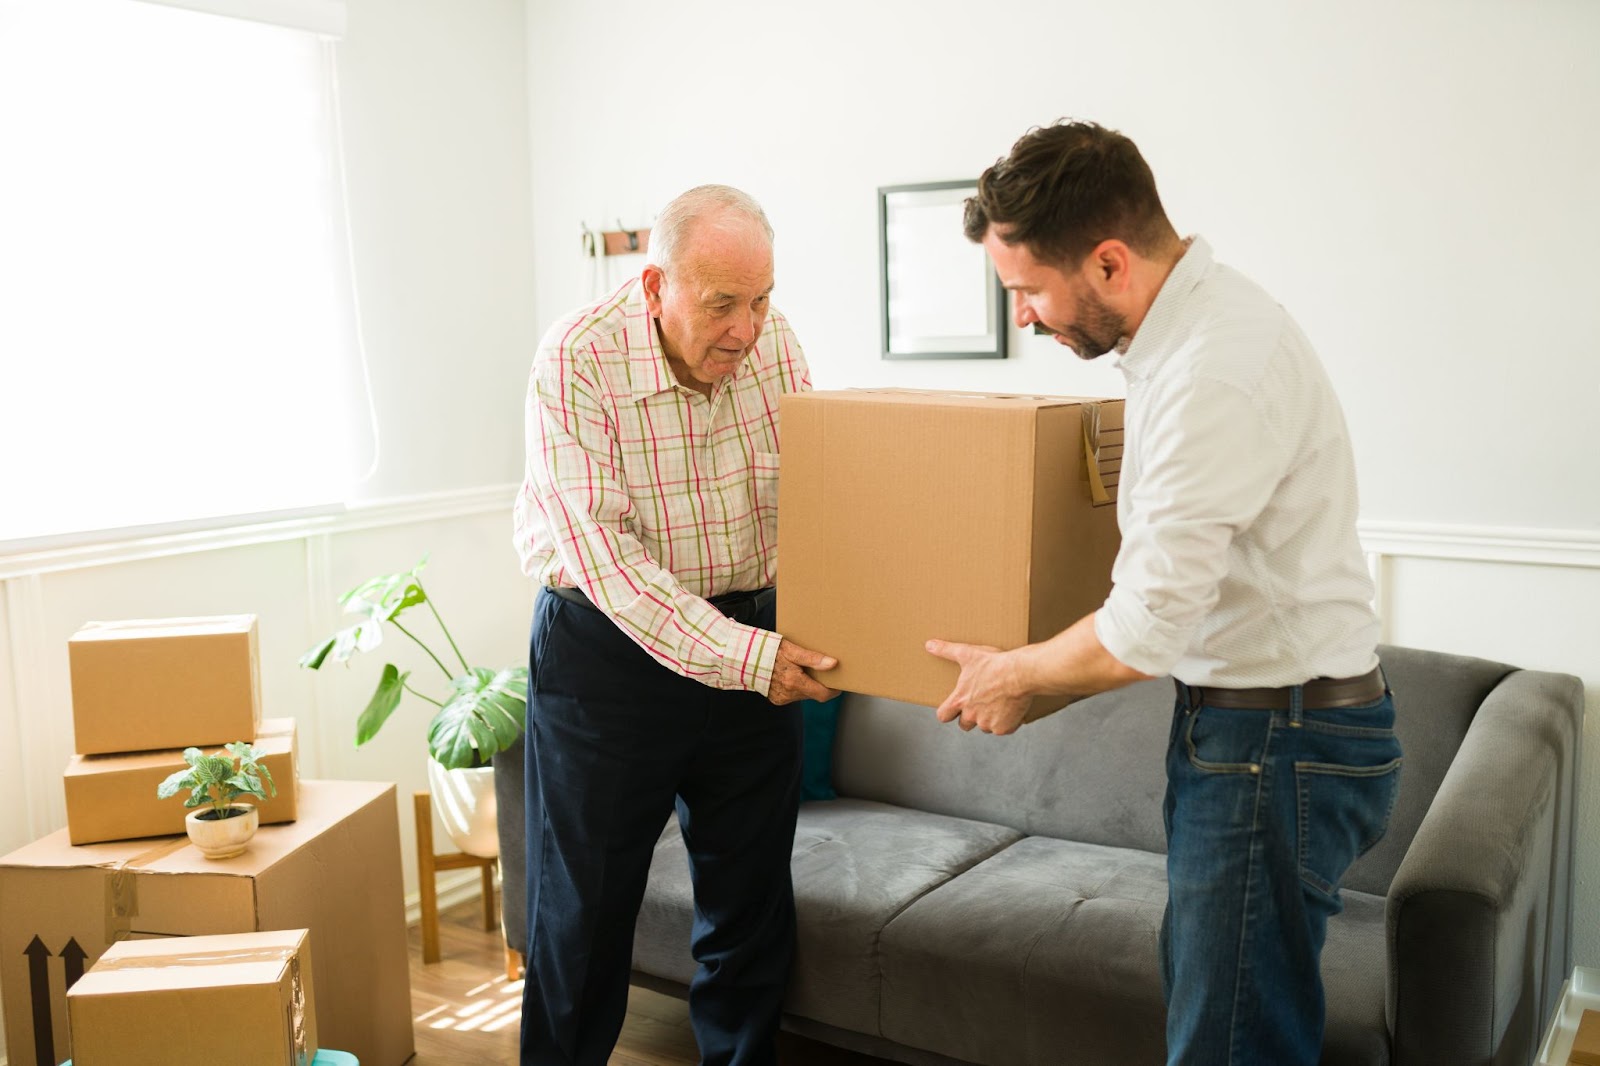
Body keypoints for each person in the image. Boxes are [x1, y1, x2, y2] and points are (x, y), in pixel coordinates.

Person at [925, 121, 1403, 1066]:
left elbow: (1144, 627)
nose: (1021, 317)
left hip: (1274, 744)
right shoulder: (1186, 336)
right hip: (1263, 731)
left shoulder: (1210, 372)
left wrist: (1016, 676)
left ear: (1107, 261)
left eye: (1026, 290)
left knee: (1228, 1044)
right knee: (1224, 1014)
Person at [511, 184, 838, 1066]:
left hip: (749, 638)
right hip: (607, 656)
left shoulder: (778, 348)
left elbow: (821, 500)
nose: (746, 329)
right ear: (656, 287)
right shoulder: (577, 358)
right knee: (583, 921)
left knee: (749, 910)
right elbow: (607, 563)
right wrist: (749, 658)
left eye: (761, 300)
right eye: (722, 303)